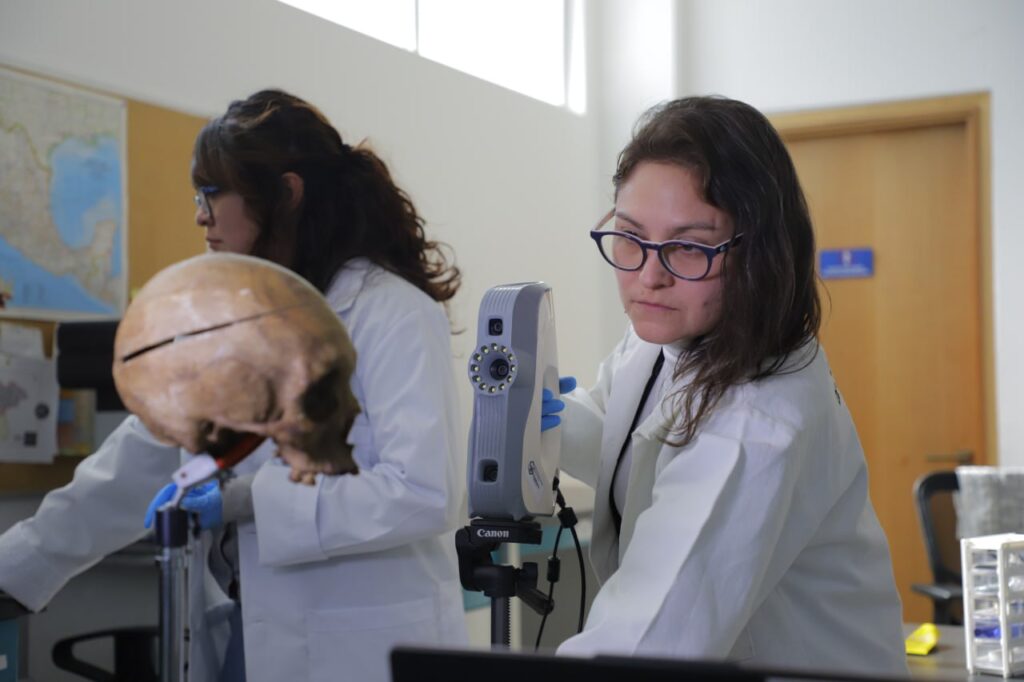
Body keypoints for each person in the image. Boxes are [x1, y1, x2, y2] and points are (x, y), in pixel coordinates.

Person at [0, 89, 468, 681]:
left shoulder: (390, 311)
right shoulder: (236, 318)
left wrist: (251, 501)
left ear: (286, 193)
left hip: (360, 649)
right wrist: (20, 565)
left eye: (212, 193)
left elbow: (422, 491)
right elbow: (140, 457)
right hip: (252, 634)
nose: (200, 215)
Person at [545, 96, 907, 675]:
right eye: (631, 236)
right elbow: (628, 438)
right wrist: (542, 419)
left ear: (756, 252)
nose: (649, 276)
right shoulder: (668, 333)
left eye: (689, 246)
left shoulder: (757, 424)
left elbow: (643, 646)